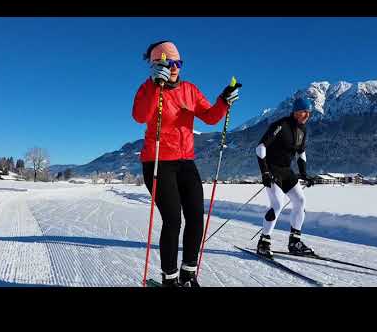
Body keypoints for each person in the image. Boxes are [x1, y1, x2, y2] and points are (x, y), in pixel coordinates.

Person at [132, 41, 241, 287]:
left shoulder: (190, 90)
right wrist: (154, 86)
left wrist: (224, 101)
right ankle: (169, 279)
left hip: (186, 162)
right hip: (158, 162)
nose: (173, 68)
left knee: (195, 217)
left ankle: (188, 274)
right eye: (167, 63)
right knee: (173, 220)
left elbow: (211, 117)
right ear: (156, 65)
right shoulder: (147, 89)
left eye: (177, 63)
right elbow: (140, 116)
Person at [255, 97, 316, 257]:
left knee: (300, 201)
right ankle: (264, 242)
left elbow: (301, 152)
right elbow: (261, 147)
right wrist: (265, 172)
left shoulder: (303, 130)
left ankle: (295, 242)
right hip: (272, 170)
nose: (307, 115)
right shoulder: (281, 125)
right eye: (304, 111)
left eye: (309, 112)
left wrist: (304, 174)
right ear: (296, 111)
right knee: (277, 205)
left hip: (286, 171)